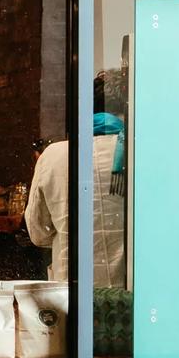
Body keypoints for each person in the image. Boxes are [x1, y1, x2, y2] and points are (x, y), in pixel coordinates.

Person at [24, 70, 128, 286]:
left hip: (73, 291)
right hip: (130, 295)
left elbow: (38, 233)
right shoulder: (140, 154)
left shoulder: (54, 155)